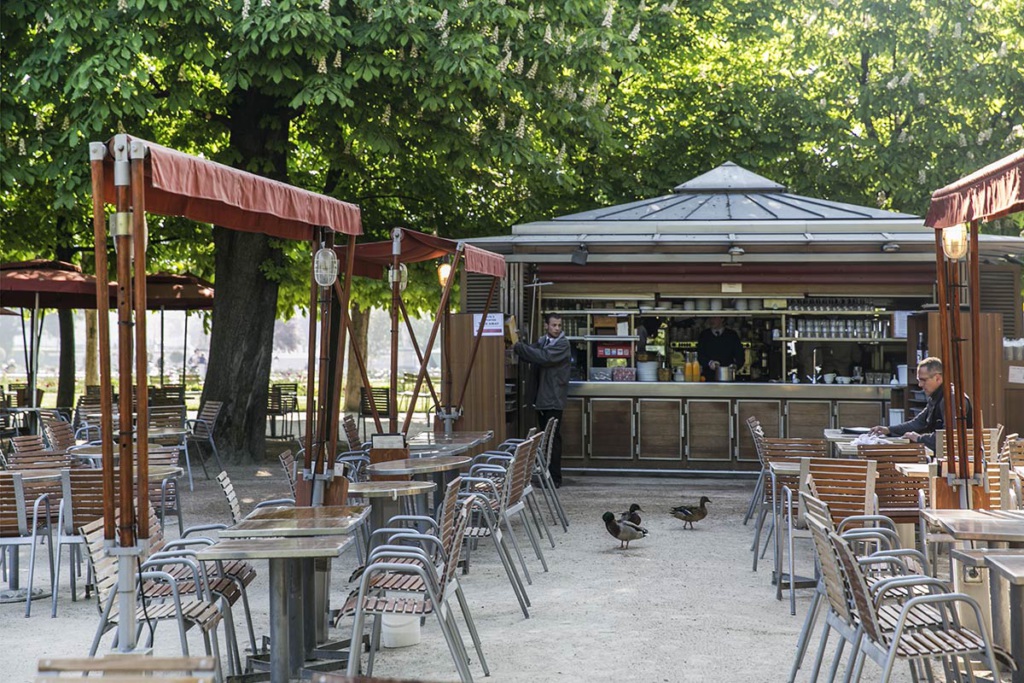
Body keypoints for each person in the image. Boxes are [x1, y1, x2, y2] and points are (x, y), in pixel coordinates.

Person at [514, 313, 571, 487]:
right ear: (546, 325)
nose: (557, 328)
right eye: (554, 325)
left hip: (553, 398)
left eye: (559, 325)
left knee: (553, 439)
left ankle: (554, 479)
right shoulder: (543, 341)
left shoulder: (562, 344)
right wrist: (517, 346)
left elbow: (543, 357)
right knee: (546, 439)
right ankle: (547, 476)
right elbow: (530, 353)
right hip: (542, 398)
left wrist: (518, 346)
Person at [869, 356, 971, 452]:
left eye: (923, 380)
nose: (920, 385)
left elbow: (949, 437)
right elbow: (918, 423)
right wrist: (888, 430)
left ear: (938, 378)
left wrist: (919, 438)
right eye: (919, 380)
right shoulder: (937, 396)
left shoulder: (951, 399)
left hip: (958, 459)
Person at [696, 316, 744, 381]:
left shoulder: (732, 335)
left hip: (728, 376)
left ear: (722, 319)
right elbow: (700, 355)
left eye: (714, 318)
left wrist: (735, 366)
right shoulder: (704, 335)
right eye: (710, 318)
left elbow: (740, 355)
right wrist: (709, 363)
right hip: (708, 378)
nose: (711, 320)